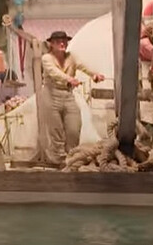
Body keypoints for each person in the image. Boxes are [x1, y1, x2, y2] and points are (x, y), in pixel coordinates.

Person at [38, 30, 105, 166]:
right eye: (58, 42)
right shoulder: (47, 58)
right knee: (56, 130)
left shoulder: (71, 57)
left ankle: (72, 156)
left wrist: (94, 75)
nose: (62, 44)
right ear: (52, 44)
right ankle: (59, 161)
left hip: (67, 94)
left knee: (74, 127)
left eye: (64, 41)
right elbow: (54, 72)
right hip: (51, 95)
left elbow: (83, 66)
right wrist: (69, 79)